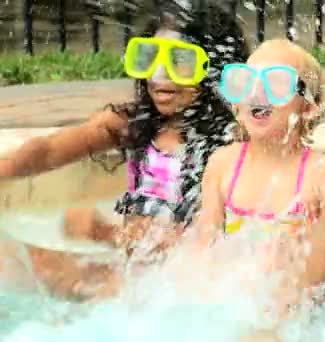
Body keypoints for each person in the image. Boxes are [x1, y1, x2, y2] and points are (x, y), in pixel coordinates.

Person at [0, 1, 249, 299]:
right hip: (132, 270)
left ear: (215, 70)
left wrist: (104, 233)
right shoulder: (131, 124)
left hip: (178, 285)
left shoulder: (228, 145)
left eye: (180, 61)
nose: (159, 75)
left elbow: (199, 242)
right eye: (149, 58)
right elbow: (48, 152)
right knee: (18, 260)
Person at [194, 38, 325, 318]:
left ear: (308, 107)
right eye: (246, 81)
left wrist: (277, 322)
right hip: (248, 299)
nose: (258, 93)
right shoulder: (222, 165)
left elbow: (318, 273)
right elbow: (203, 253)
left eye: (278, 84)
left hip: (306, 307)